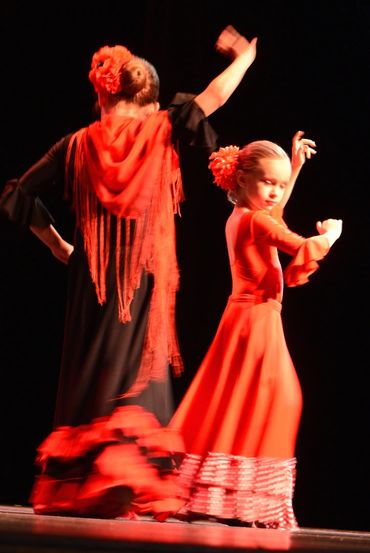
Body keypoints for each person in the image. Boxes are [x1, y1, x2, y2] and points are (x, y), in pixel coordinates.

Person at [0, 26, 258, 519]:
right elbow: (213, 97)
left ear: (104, 91)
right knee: (135, 368)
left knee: (93, 364)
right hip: (142, 274)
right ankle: (124, 479)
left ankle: (83, 482)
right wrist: (243, 58)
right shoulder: (162, 128)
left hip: (91, 274)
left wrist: (58, 246)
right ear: (149, 99)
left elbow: (17, 195)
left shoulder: (75, 145)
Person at [170, 131, 342, 529]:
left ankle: (226, 496)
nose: (274, 192)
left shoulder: (245, 216)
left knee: (239, 402)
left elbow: (274, 212)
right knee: (282, 397)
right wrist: (330, 236)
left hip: (252, 318)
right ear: (242, 179)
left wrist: (293, 170)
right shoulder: (254, 222)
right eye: (268, 182)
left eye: (279, 185)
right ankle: (247, 500)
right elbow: (296, 244)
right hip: (256, 320)